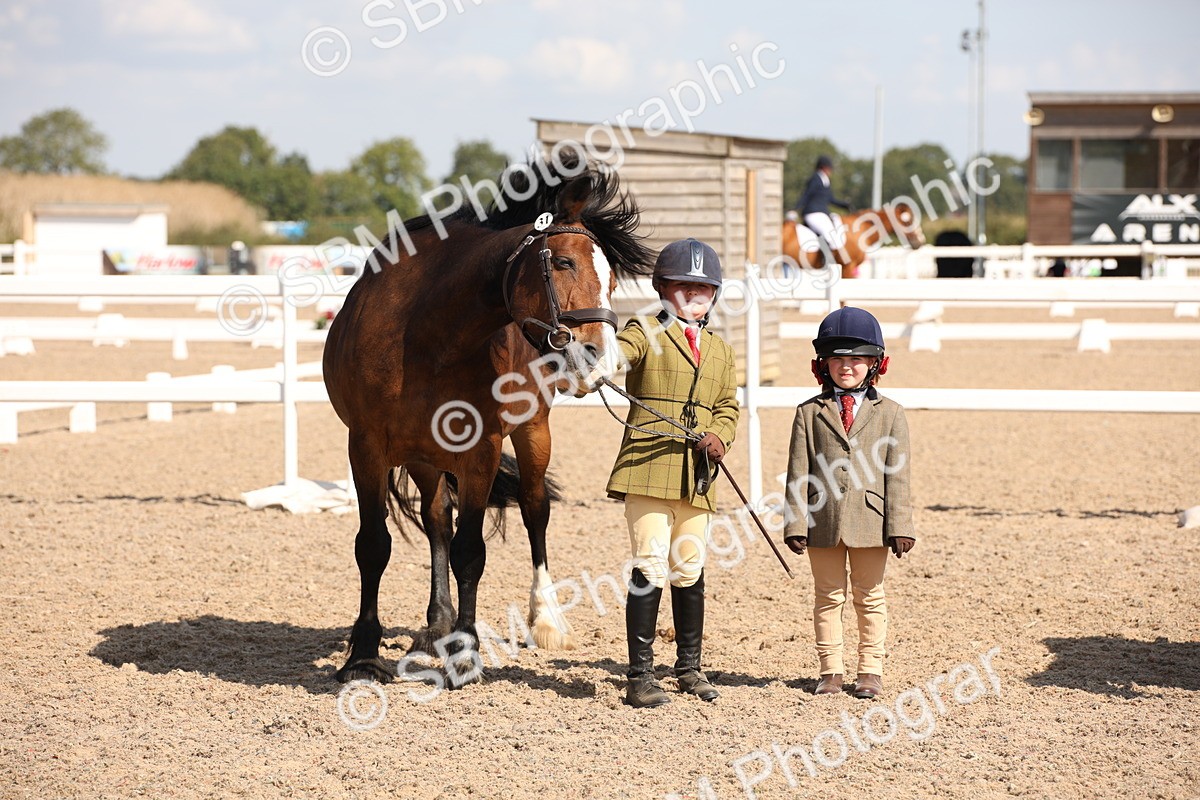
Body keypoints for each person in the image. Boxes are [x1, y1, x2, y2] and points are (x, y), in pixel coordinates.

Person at [603, 238, 740, 708]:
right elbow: (621, 353)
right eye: (684, 287)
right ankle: (639, 676)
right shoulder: (645, 330)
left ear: (714, 295)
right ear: (663, 288)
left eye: (703, 288)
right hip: (648, 465)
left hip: (697, 474)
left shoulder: (720, 350)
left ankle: (688, 668)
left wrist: (720, 436)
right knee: (650, 563)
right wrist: (602, 360)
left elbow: (728, 405)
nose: (694, 295)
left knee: (689, 568)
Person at [783, 306, 916, 700]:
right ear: (823, 365)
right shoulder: (808, 413)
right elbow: (797, 472)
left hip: (871, 520)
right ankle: (830, 670)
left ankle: (870, 670)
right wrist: (794, 523)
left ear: (875, 364)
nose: (847, 367)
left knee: (869, 596)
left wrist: (901, 525)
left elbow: (899, 475)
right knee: (827, 597)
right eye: (839, 359)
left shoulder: (891, 413)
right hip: (821, 520)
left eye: (857, 359)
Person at [794, 155, 854, 253]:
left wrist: (844, 205)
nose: (830, 171)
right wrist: (796, 209)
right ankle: (825, 259)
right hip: (813, 213)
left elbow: (830, 199)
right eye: (829, 168)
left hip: (822, 213)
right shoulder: (815, 178)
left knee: (834, 229)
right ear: (823, 167)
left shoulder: (825, 180)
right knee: (830, 235)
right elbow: (806, 194)